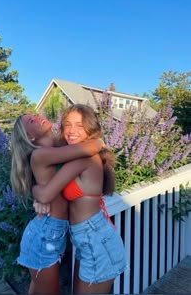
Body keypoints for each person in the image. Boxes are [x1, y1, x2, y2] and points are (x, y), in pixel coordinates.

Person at [32, 104, 127, 294]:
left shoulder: (83, 157)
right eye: (67, 124)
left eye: (80, 125)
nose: (72, 130)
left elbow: (45, 193)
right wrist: (40, 200)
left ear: (90, 129)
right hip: (87, 237)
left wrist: (35, 192)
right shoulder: (78, 153)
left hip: (96, 239)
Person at [10, 113, 103, 294]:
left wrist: (37, 193)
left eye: (35, 115)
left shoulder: (57, 151)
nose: (38, 117)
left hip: (52, 232)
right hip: (45, 233)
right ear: (30, 137)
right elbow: (89, 148)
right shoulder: (41, 153)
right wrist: (99, 143)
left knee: (38, 289)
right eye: (32, 121)